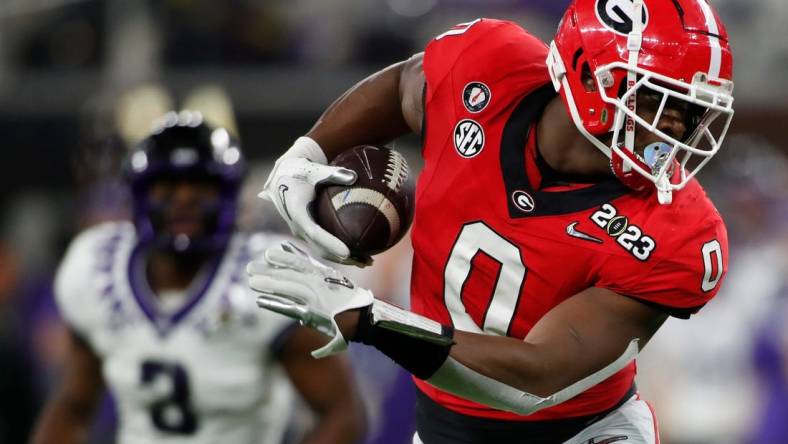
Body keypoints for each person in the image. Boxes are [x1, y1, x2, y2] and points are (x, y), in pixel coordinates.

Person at [248, 0, 734, 443]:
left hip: (582, 432)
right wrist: (307, 153)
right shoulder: (486, 69)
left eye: (691, 112)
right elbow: (404, 86)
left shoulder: (680, 232)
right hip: (443, 429)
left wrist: (368, 318)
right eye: (658, 101)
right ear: (589, 77)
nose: (674, 129)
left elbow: (539, 378)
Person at [32, 111, 366, 444]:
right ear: (140, 195)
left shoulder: (272, 274)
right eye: (167, 187)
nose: (184, 200)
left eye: (200, 187)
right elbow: (73, 407)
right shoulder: (97, 267)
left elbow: (342, 416)